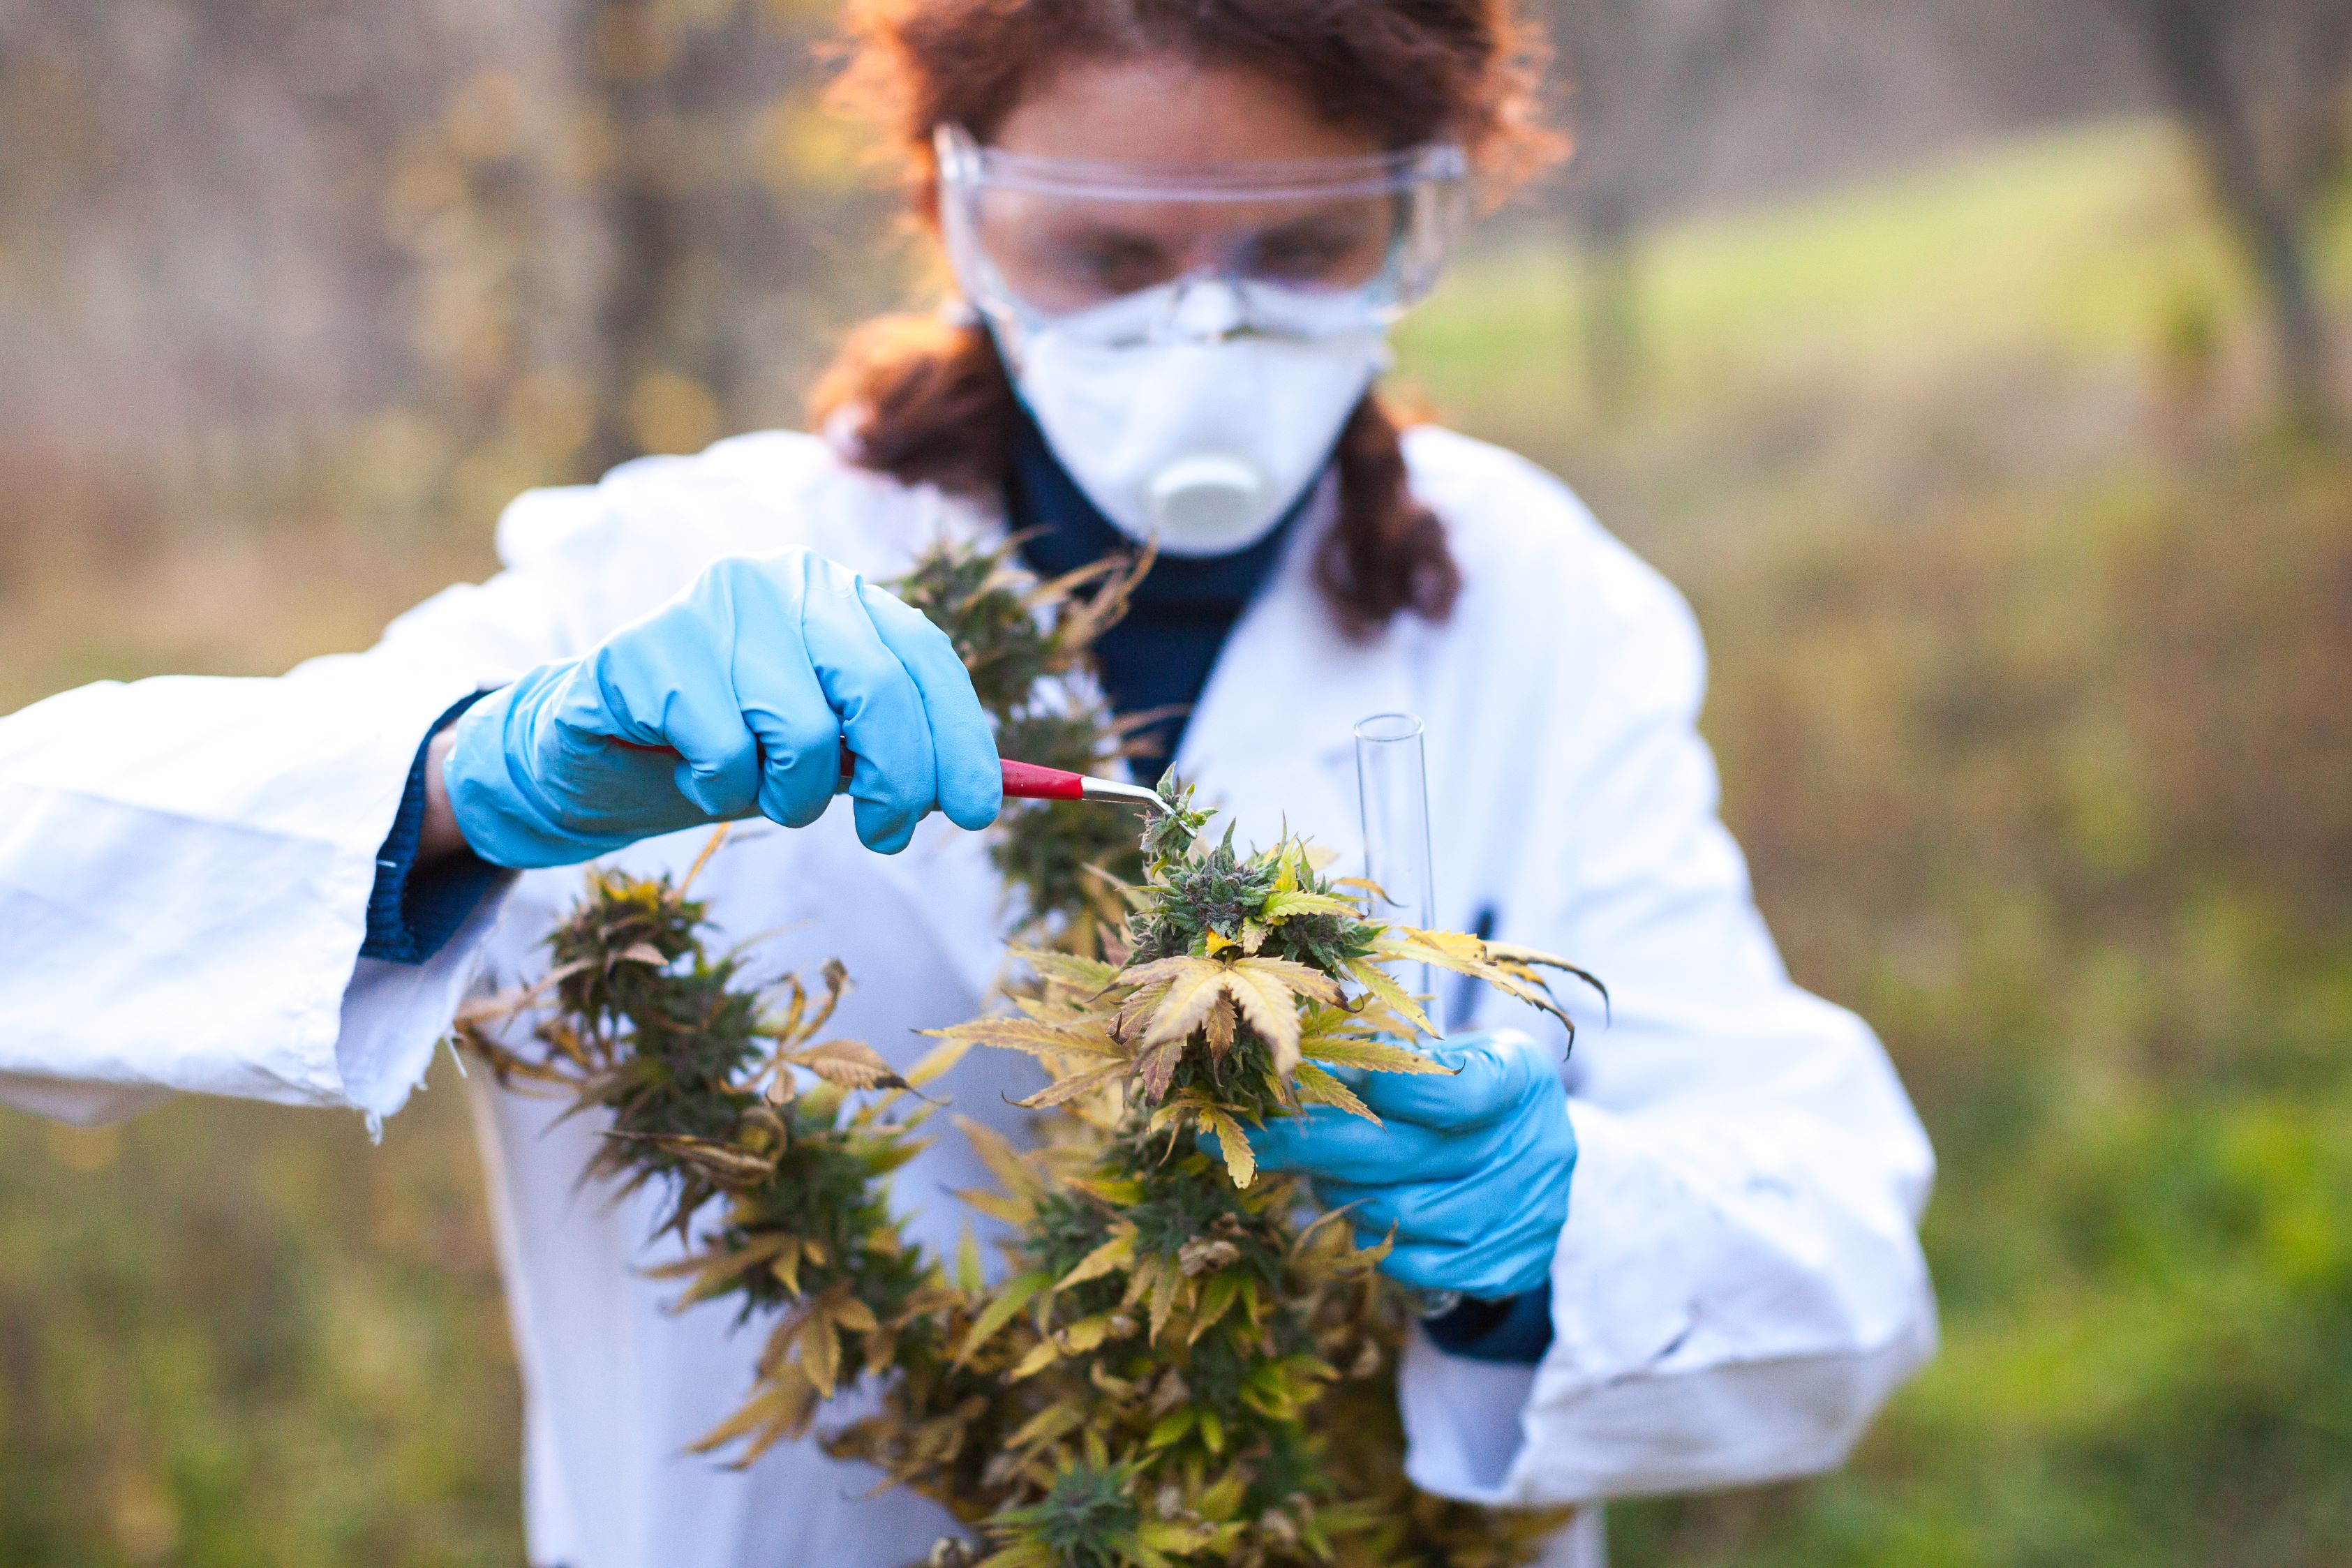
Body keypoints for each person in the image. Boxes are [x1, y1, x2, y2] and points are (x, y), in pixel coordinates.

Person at [0, 1, 1938, 1565]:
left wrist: (1556, 1234)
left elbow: (1842, 1261)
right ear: (960, 210)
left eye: (1301, 248)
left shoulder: (1539, 604)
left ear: (1419, 218)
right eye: (1109, 252)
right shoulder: (670, 568)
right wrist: (460, 784)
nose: (1207, 325)